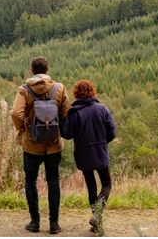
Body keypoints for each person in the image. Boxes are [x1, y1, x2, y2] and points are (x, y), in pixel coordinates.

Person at [10, 56, 70, 234]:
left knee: (30, 180)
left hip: (32, 144)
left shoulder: (24, 90)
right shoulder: (59, 89)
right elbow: (67, 113)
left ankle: (35, 221)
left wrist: (23, 128)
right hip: (53, 144)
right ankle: (54, 224)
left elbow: (15, 113)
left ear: (31, 71)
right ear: (48, 69)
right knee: (53, 180)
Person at [60, 80, 116, 232]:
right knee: (107, 183)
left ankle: (97, 223)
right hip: (100, 152)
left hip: (83, 154)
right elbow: (112, 132)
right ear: (92, 91)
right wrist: (103, 143)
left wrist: (60, 118)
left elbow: (66, 134)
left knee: (91, 186)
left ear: (76, 93)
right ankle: (97, 217)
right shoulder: (102, 109)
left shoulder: (74, 112)